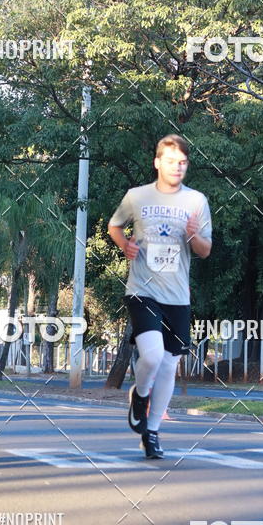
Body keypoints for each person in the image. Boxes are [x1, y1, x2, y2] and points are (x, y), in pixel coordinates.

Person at [108, 134, 212, 458]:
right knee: (151, 356)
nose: (177, 167)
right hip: (142, 290)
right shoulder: (136, 196)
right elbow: (114, 226)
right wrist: (125, 245)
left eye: (182, 162)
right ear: (157, 162)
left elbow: (205, 250)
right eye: (171, 161)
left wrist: (194, 234)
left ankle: (151, 432)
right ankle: (140, 394)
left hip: (177, 295)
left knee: (168, 366)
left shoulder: (196, 201)